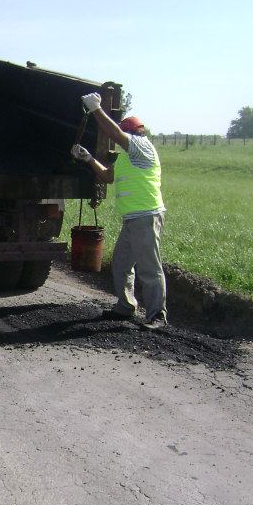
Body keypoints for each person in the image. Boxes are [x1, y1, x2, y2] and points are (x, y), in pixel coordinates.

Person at [72, 92, 167, 330]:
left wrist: (96, 109)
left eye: (124, 134)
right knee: (122, 265)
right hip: (132, 220)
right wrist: (88, 159)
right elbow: (107, 176)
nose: (120, 140)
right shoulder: (126, 158)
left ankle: (157, 315)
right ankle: (126, 306)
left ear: (135, 133)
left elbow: (114, 133)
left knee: (149, 268)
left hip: (146, 217)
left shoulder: (142, 148)